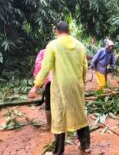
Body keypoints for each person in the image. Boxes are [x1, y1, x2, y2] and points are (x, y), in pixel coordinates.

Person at [28, 21, 90, 155]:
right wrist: (82, 83)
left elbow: (45, 68)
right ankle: (86, 145)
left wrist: (36, 87)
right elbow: (85, 66)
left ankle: (58, 151)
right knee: (79, 113)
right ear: (69, 30)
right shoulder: (80, 45)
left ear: (56, 31)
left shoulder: (53, 45)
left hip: (60, 86)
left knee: (59, 117)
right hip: (76, 85)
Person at [33, 49, 52, 131]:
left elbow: (38, 65)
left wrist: (36, 86)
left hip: (49, 81)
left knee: (48, 103)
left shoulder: (43, 52)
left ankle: (49, 125)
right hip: (63, 81)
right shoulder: (64, 50)